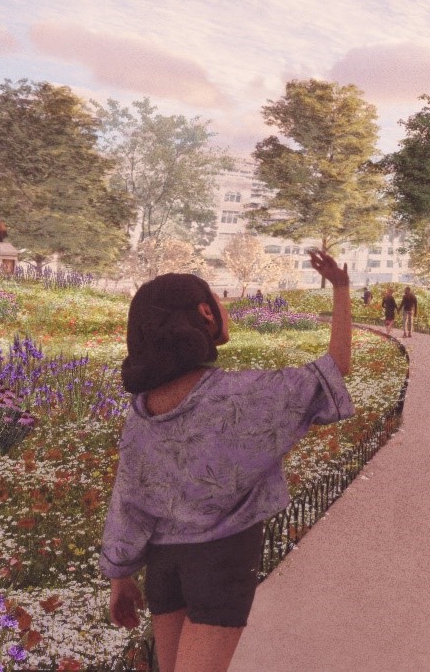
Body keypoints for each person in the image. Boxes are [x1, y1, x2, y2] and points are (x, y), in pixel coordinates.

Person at [101, 251, 353, 672]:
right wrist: (342, 290)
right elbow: (334, 371)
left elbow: (127, 497)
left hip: (164, 565)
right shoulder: (244, 395)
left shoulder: (143, 411)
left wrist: (120, 576)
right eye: (219, 299)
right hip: (221, 561)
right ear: (204, 312)